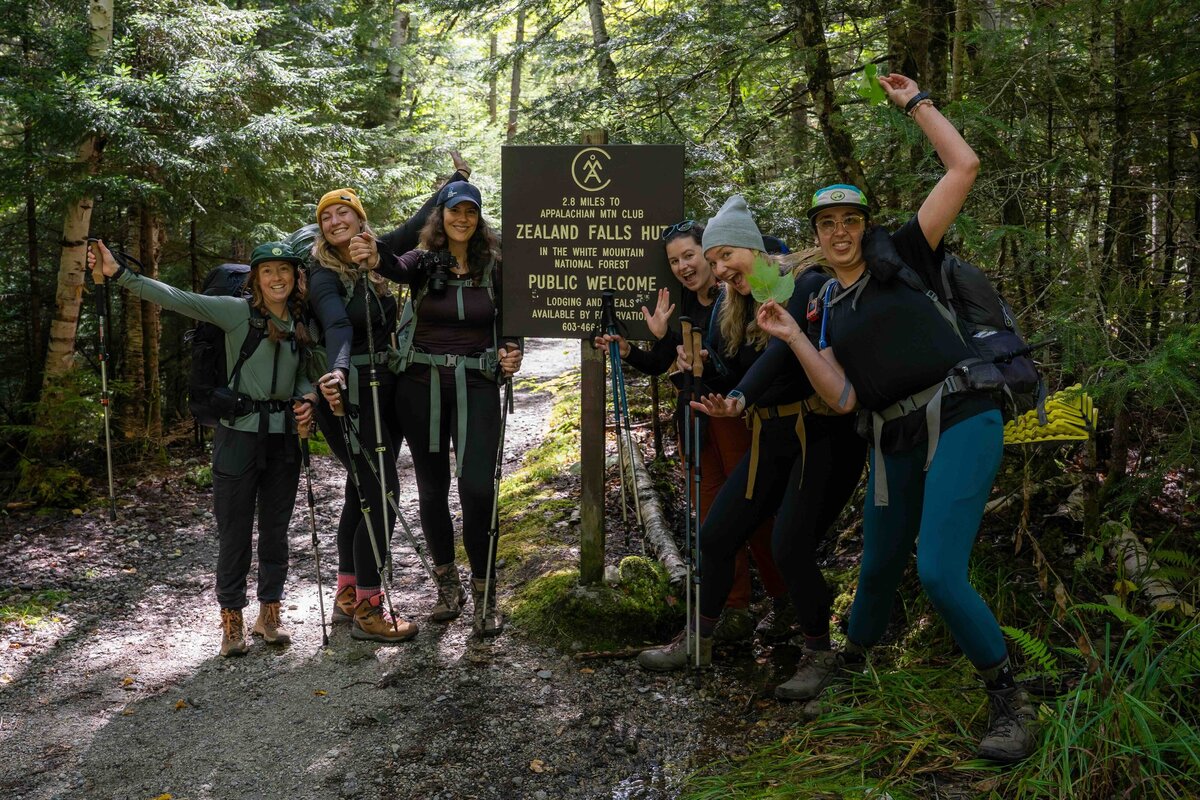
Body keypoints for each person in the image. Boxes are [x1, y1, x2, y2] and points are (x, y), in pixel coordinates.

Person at [754, 73, 1037, 761]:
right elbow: (844, 397)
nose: (841, 232)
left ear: (865, 224)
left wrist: (916, 105)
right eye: (828, 224)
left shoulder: (906, 254)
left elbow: (964, 167)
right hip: (893, 434)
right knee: (878, 561)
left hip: (962, 411)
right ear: (817, 236)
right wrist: (791, 336)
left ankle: (1009, 696)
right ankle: (854, 665)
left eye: (851, 220)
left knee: (938, 570)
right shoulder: (824, 307)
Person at [636, 196, 865, 684]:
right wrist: (698, 374)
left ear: (749, 246)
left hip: (822, 435)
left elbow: (779, 356)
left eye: (724, 257)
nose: (717, 269)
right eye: (712, 261)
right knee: (716, 535)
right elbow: (727, 367)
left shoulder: (805, 284)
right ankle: (698, 640)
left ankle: (819, 654)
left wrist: (739, 395)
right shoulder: (731, 304)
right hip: (772, 435)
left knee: (789, 545)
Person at [89, 240, 317, 657]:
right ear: (256, 278)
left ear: (295, 276)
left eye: (284, 270)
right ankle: (231, 620)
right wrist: (119, 274)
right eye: (268, 271)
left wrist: (308, 400)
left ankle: (270, 615)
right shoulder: (235, 312)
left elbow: (301, 375)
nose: (277, 278)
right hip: (237, 437)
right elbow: (177, 299)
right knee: (234, 532)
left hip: (284, 438)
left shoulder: (301, 321)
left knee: (276, 532)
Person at [593, 221, 796, 642]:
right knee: (709, 514)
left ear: (711, 253)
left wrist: (710, 364)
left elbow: (748, 365)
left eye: (690, 255)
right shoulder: (683, 303)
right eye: (674, 261)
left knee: (751, 513)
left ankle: (783, 599)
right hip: (696, 422)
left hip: (734, 420)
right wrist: (632, 348)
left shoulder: (735, 298)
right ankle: (735, 608)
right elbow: (657, 363)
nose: (684, 266)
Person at [337, 179, 522, 637]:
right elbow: (393, 265)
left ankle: (484, 592)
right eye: (455, 211)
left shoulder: (496, 267)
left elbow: (512, 321)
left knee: (478, 487)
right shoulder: (422, 263)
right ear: (440, 216)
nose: (463, 219)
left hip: (477, 385)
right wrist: (370, 252)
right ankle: (448, 588)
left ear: (479, 221)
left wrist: (513, 348)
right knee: (432, 487)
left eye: (471, 213)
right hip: (419, 388)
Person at [308, 154, 472, 644]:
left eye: (344, 213)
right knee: (381, 494)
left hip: (387, 389)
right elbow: (336, 325)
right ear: (321, 228)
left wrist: (455, 183)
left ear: (360, 220)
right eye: (326, 216)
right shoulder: (320, 274)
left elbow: (415, 224)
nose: (336, 221)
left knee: (364, 491)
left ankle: (348, 590)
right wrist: (335, 373)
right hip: (348, 395)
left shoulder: (373, 252)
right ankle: (370, 610)